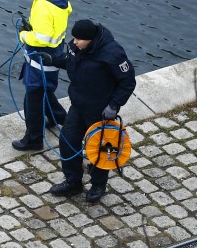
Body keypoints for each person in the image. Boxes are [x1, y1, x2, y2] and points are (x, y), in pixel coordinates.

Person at [47, 19, 136, 203]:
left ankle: (98, 185)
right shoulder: (76, 46)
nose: (74, 42)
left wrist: (113, 106)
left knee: (100, 149)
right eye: (74, 38)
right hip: (79, 105)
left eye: (79, 39)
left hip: (100, 111)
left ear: (90, 39)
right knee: (67, 141)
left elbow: (127, 82)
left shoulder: (113, 53)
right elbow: (71, 63)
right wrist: (53, 60)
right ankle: (73, 182)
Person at [12, 0, 70, 151]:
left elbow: (41, 38)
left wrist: (24, 34)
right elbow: (52, 27)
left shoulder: (43, 4)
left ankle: (33, 138)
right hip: (55, 54)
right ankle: (60, 119)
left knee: (33, 96)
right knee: (44, 90)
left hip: (40, 58)